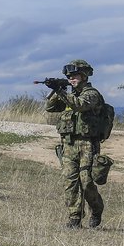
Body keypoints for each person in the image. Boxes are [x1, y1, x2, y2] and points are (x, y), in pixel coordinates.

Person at [45, 59, 107, 228]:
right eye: (69, 76)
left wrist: (61, 91)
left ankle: (96, 209)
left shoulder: (92, 94)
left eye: (75, 75)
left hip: (87, 145)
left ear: (84, 76)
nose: (71, 79)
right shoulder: (67, 95)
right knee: (70, 182)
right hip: (68, 145)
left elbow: (79, 105)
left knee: (86, 182)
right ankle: (74, 218)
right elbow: (50, 108)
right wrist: (58, 90)